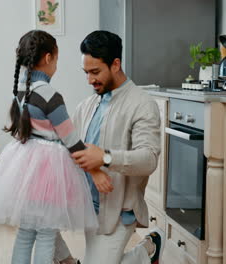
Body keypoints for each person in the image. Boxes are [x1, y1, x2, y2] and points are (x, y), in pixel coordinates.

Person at [0, 30, 113, 264]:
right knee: (47, 233)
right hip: (50, 170)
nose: (56, 64)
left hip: (26, 165)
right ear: (48, 58)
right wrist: (96, 171)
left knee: (26, 232)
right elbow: (71, 139)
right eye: (56, 59)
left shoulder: (21, 91)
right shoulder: (50, 95)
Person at [54, 30, 165, 264]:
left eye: (95, 72)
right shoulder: (88, 104)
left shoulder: (142, 104)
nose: (90, 80)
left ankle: (147, 249)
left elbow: (149, 159)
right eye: (86, 73)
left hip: (116, 213)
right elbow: (69, 145)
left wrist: (104, 158)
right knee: (36, 222)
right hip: (85, 205)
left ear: (116, 64)